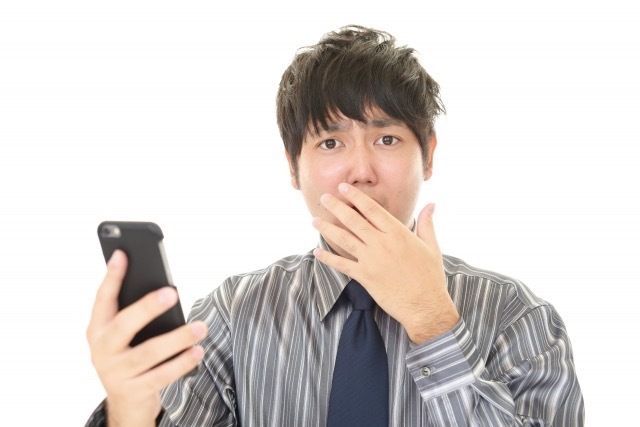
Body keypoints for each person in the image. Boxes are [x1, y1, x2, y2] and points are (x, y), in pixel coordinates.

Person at [85, 25, 584, 426]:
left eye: (387, 139)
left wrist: (434, 323)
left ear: (428, 156)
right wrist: (130, 409)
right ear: (292, 167)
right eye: (330, 143)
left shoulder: (517, 317)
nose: (361, 171)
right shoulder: (234, 316)